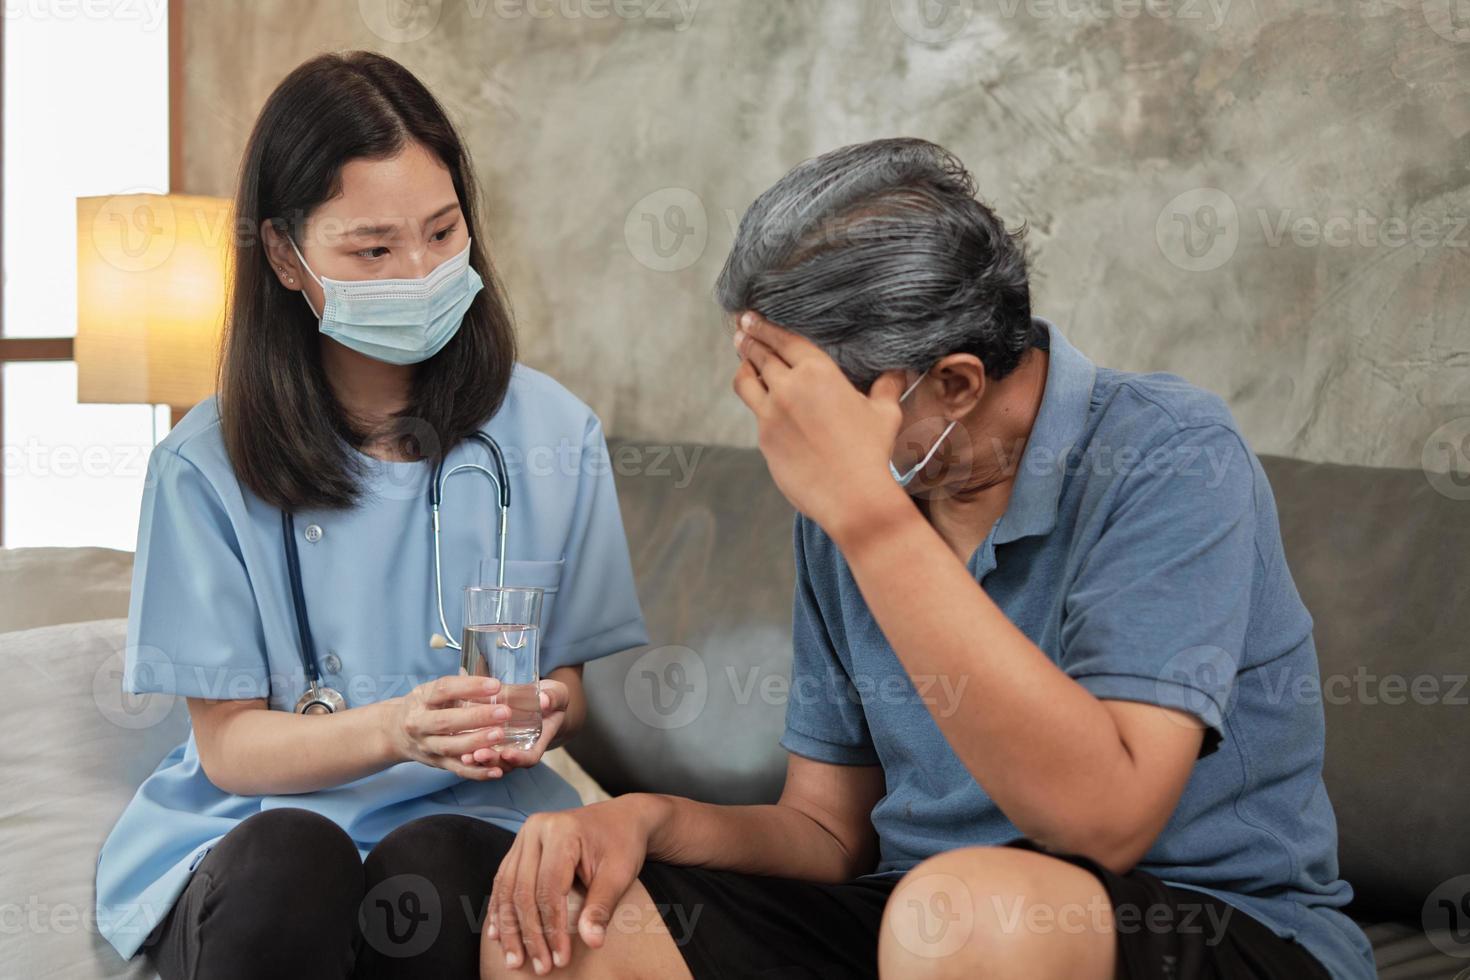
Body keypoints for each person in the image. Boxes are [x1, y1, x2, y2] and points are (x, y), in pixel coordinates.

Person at [474, 139, 1377, 979]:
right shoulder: (864, 499)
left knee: (957, 914)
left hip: (1211, 924)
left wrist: (871, 523)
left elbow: (1107, 819)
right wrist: (647, 819)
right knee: (565, 930)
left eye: (808, 404)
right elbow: (829, 831)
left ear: (954, 384)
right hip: (915, 916)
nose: (786, 439)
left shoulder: (1169, 454)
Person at [93, 51, 649, 979]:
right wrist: (397, 730)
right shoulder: (202, 464)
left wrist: (545, 708)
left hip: (467, 816)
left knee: (438, 869)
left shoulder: (554, 433)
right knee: (294, 863)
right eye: (375, 249)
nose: (423, 271)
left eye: (442, 232)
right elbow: (228, 744)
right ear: (284, 254)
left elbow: (564, 683)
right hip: (259, 827)